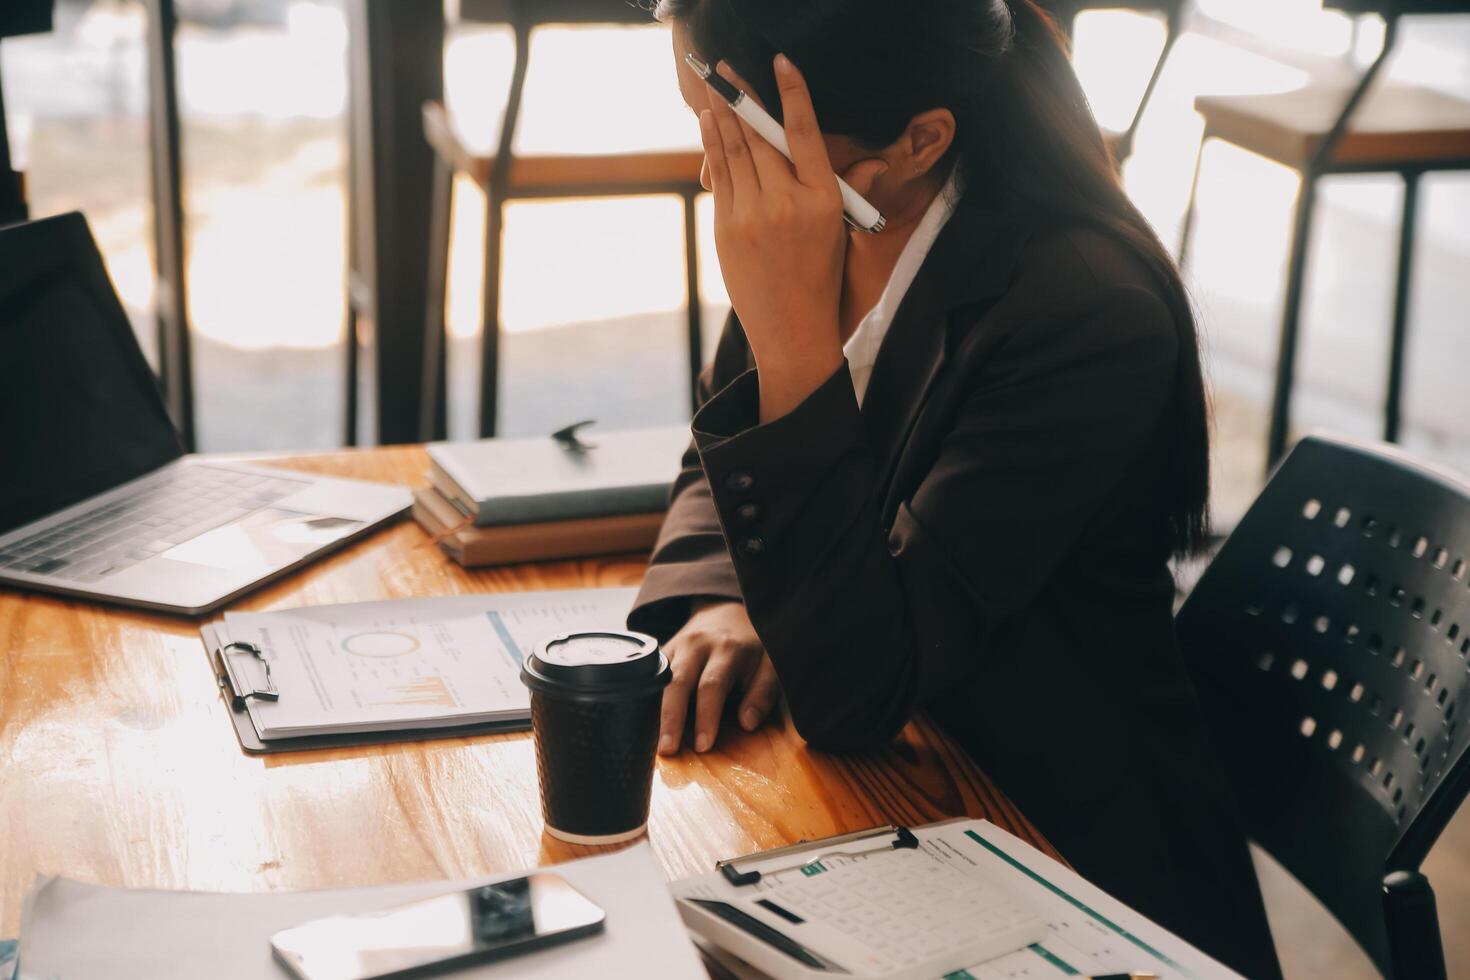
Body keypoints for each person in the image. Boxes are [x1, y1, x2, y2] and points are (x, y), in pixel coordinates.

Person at [626, 1, 1282, 975]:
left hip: (1065, 870)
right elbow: (724, 448)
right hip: (910, 809)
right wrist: (728, 596)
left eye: (739, 135)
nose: (714, 168)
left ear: (920, 139)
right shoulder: (835, 199)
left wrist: (795, 335)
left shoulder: (1085, 311)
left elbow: (856, 688)